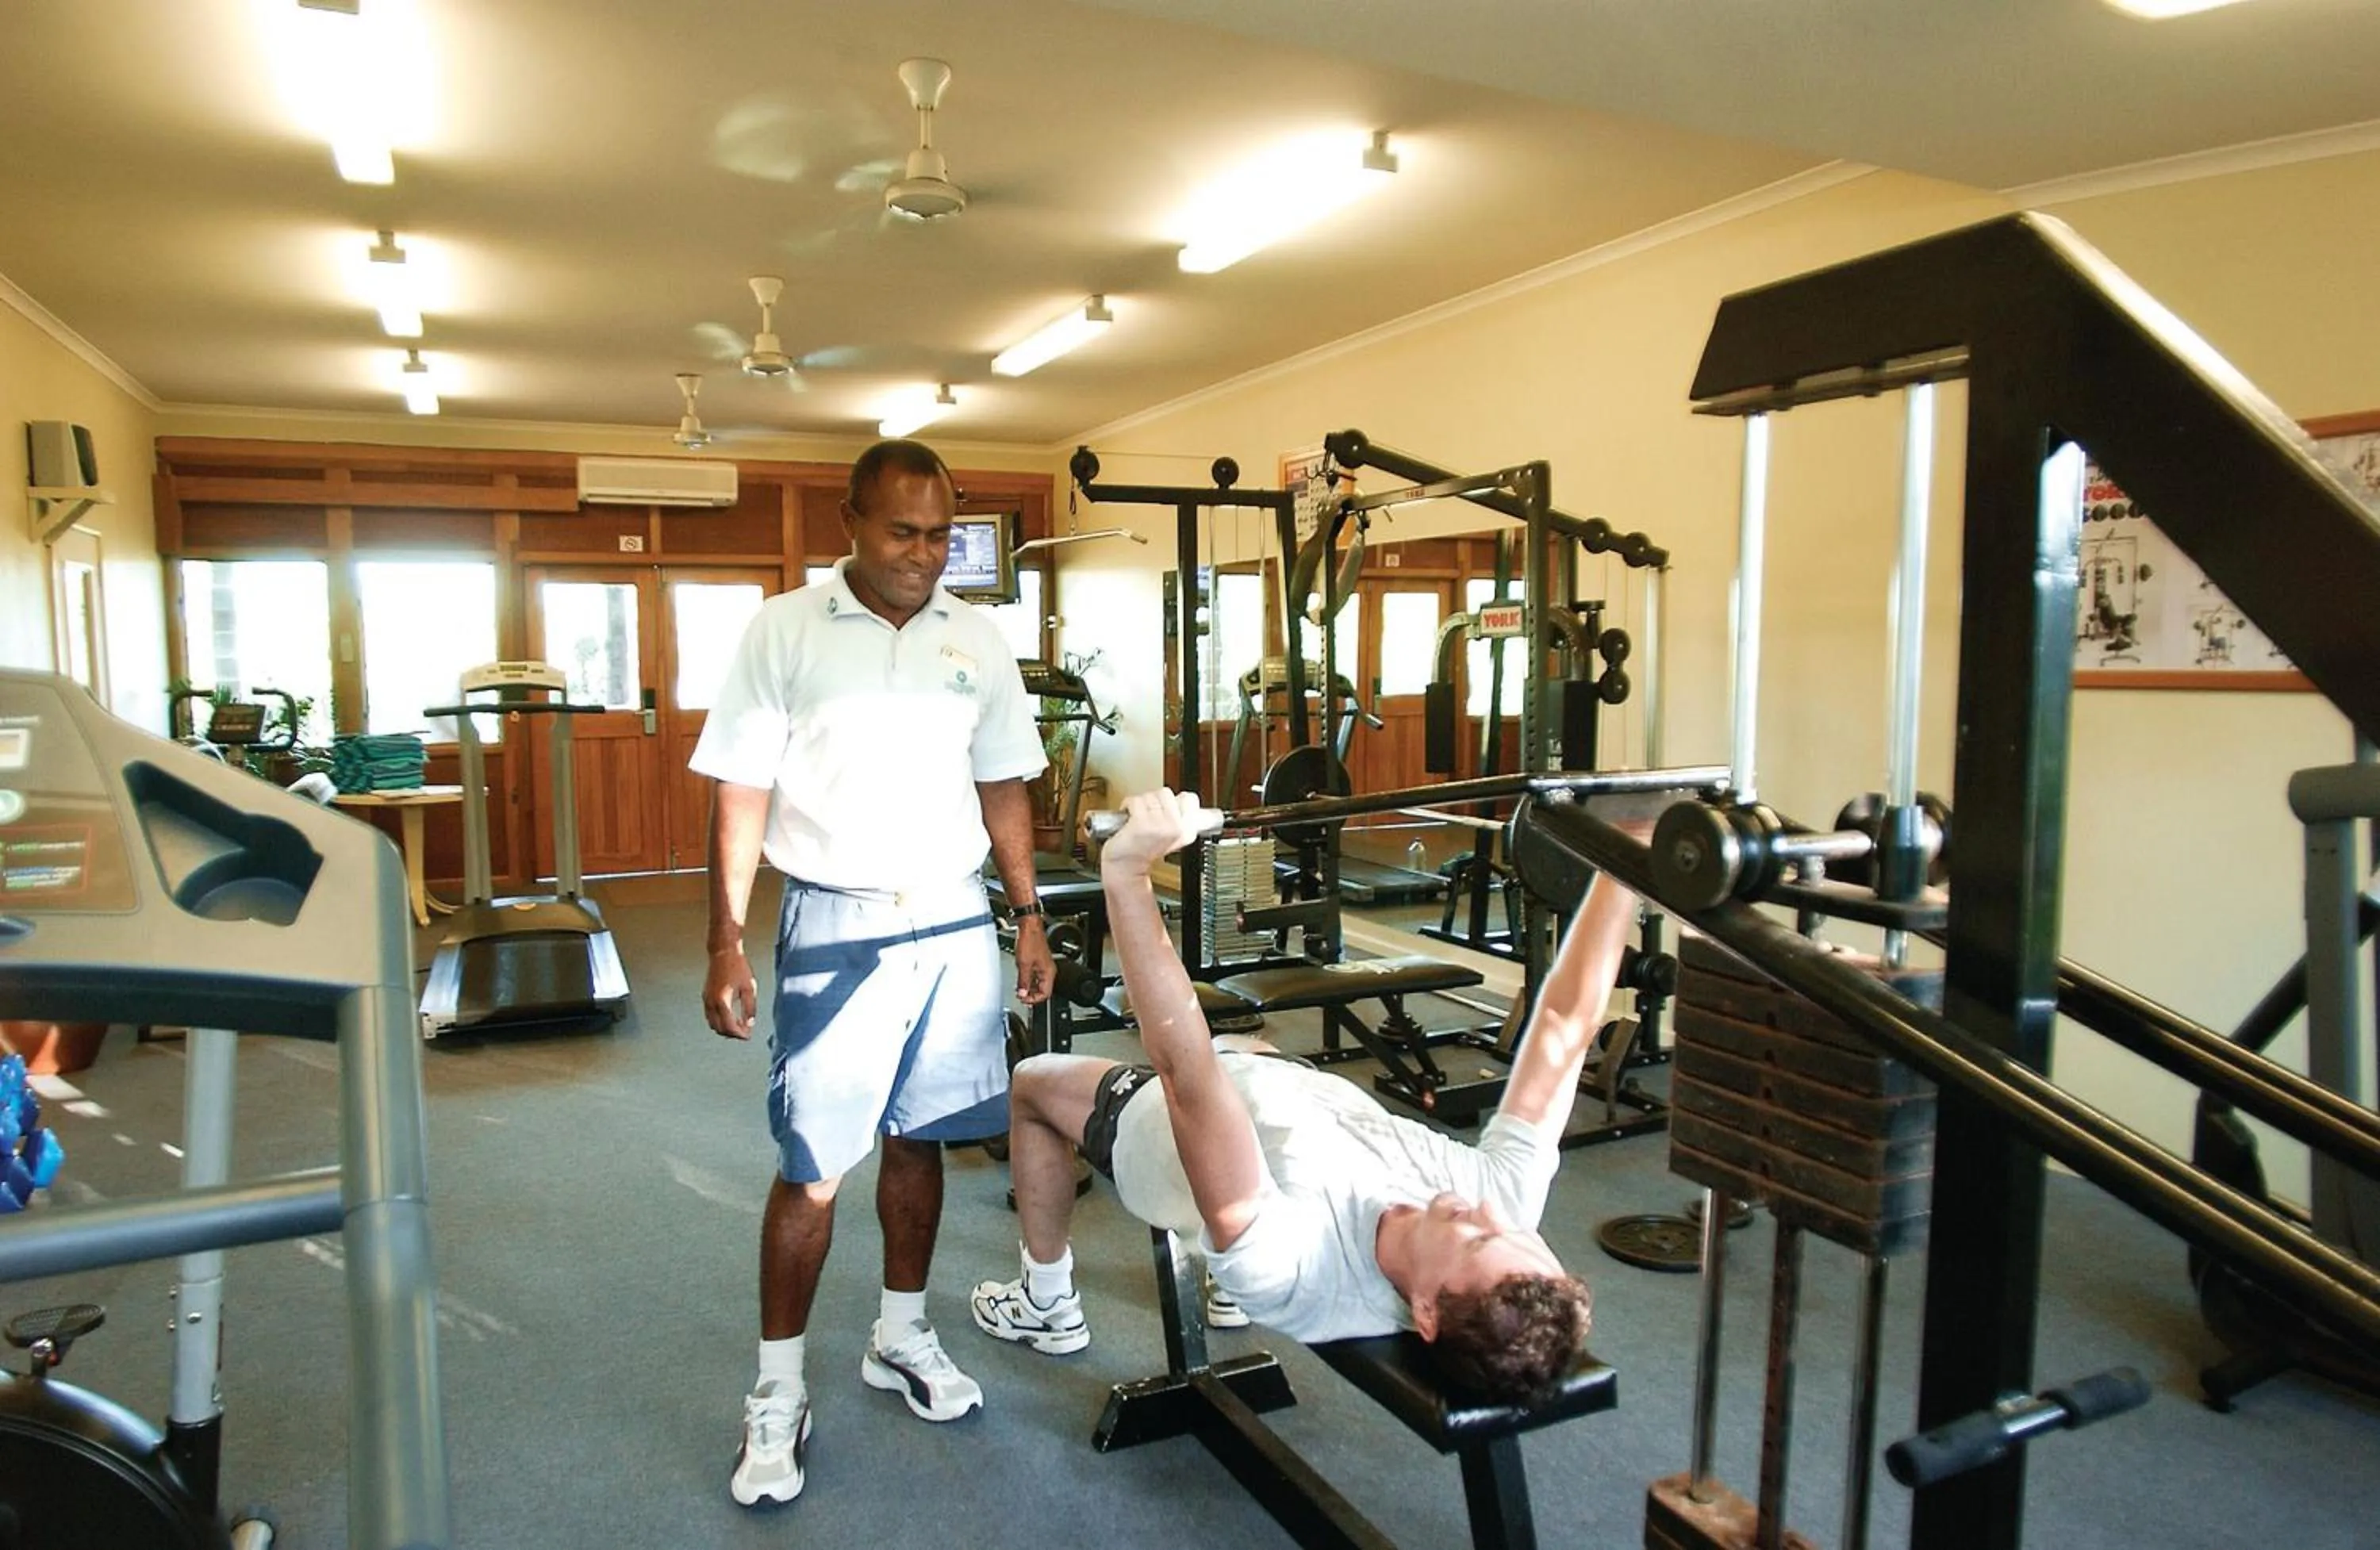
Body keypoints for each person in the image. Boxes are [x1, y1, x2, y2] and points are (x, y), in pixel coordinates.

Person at [971, 788, 1641, 1403]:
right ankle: (1217, 1265)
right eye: (1509, 1231)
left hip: (1161, 1129)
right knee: (1255, 1061)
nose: (1482, 1211)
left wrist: (1128, 875)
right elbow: (1564, 1025)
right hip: (1281, 1096)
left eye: (1472, 1240)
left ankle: (1046, 1302)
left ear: (1428, 1312)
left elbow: (1186, 1073)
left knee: (1032, 1084)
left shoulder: (1295, 1263)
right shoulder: (1504, 1208)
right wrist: (1626, 860)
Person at [692, 438, 1055, 1507]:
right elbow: (739, 789)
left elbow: (1004, 786)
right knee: (813, 1164)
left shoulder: (976, 638)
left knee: (925, 1136)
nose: (925, 554)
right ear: (849, 520)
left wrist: (1026, 916)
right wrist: (723, 932)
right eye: (904, 531)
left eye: (942, 534)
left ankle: (900, 1334)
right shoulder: (786, 629)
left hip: (952, 922)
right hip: (836, 922)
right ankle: (778, 1386)